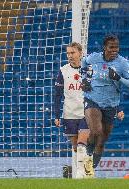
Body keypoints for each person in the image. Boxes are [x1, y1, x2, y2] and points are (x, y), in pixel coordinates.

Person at [81, 35, 129, 172]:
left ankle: (91, 169)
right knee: (96, 131)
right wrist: (85, 80)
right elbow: (83, 64)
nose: (114, 50)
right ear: (104, 47)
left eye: (116, 47)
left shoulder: (123, 63)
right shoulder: (94, 58)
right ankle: (88, 152)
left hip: (111, 105)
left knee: (102, 141)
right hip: (92, 99)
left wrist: (119, 78)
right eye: (111, 47)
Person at [54, 42, 93, 178]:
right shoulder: (63, 70)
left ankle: (80, 174)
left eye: (72, 53)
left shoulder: (89, 69)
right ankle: (87, 167)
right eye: (68, 53)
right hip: (69, 113)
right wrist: (57, 115)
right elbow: (58, 94)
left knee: (82, 144)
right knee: (77, 147)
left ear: (80, 53)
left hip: (86, 113)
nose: (70, 56)